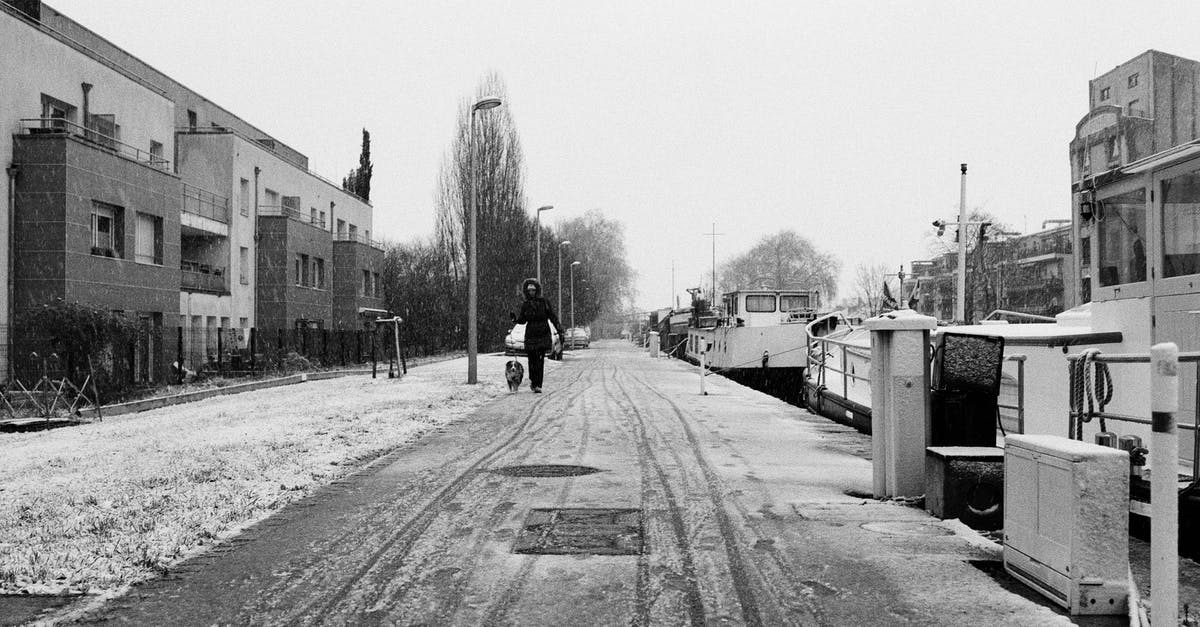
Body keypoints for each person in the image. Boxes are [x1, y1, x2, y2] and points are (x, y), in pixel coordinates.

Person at [513, 277, 563, 393]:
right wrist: (515, 320)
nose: (531, 292)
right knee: (532, 360)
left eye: (533, 290)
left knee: (540, 360)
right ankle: (533, 380)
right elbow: (523, 320)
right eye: (529, 290)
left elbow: (552, 317)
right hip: (531, 334)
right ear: (526, 291)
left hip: (542, 334)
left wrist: (559, 330)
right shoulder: (526, 304)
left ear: (537, 290)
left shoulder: (544, 302)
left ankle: (538, 384)